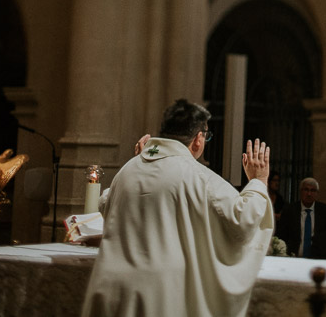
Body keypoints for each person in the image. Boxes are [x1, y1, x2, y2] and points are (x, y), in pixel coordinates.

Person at [81, 99, 273, 317]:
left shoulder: (127, 171)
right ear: (198, 139)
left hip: (110, 291)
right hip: (156, 296)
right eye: (206, 136)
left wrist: (137, 164)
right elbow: (242, 220)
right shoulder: (199, 177)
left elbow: (106, 204)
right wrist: (258, 181)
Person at [277, 176, 326, 257]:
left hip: (318, 258)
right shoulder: (289, 210)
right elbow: (281, 235)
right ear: (300, 191)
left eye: (313, 190)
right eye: (306, 190)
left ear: (317, 193)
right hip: (293, 257)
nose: (309, 194)